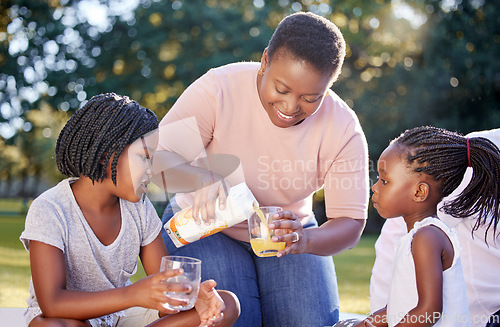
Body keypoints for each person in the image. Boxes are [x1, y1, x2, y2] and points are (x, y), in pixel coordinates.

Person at [154, 11, 369, 327]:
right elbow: (156, 159)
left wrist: (304, 241)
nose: (290, 107)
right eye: (281, 89)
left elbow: (349, 222)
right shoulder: (219, 88)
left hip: (287, 234)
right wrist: (201, 178)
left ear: (328, 86)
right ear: (265, 60)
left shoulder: (343, 128)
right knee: (233, 319)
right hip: (202, 227)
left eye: (311, 98)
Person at [20, 93, 240, 327]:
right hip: (69, 317)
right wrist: (134, 294)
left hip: (120, 316)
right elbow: (52, 303)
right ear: (107, 155)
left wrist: (195, 297)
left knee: (226, 304)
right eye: (145, 157)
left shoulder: (139, 210)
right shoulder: (51, 209)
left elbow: (165, 284)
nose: (151, 170)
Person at [342, 126, 500, 327]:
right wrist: (366, 324)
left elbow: (428, 311)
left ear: (419, 192)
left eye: (384, 181)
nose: (375, 187)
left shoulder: (428, 237)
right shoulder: (418, 235)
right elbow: (401, 307)